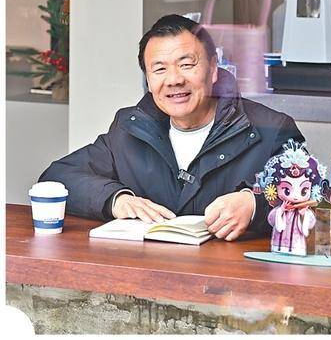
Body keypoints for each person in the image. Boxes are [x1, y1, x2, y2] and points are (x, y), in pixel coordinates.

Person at [39, 14, 304, 241]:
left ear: (213, 69)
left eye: (186, 65)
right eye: (159, 69)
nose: (174, 79)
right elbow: (57, 178)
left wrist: (254, 203)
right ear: (148, 79)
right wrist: (115, 200)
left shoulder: (270, 128)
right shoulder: (129, 129)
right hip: (149, 276)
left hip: (234, 279)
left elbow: (315, 194)